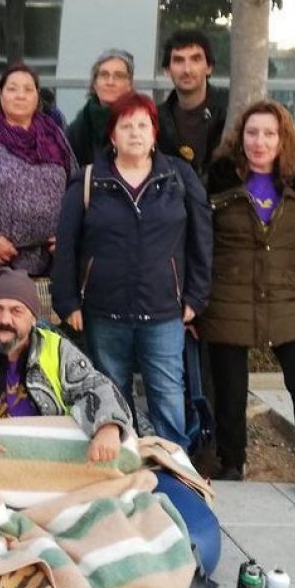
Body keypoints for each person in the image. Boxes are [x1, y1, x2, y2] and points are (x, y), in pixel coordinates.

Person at [201, 100, 295, 516]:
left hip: (289, 297)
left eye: (269, 133)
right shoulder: (217, 177)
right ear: (240, 137)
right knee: (230, 393)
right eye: (252, 133)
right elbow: (197, 241)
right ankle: (232, 464)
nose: (260, 142)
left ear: (282, 138)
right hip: (228, 298)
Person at [51, 92, 211, 447]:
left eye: (143, 125)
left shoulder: (178, 177)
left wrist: (196, 297)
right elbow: (66, 246)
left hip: (163, 312)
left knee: (168, 397)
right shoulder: (89, 181)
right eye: (126, 125)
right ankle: (122, 472)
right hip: (104, 311)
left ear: (154, 133)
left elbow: (201, 239)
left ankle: (175, 474)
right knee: (110, 396)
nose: (135, 133)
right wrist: (68, 302)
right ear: (113, 135)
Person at [0, 267, 132, 461]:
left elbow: (94, 385)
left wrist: (108, 427)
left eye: (16, 311)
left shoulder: (57, 348)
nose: (5, 319)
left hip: (51, 454)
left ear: (33, 318)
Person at [0, 63, 76, 303]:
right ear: (1, 95)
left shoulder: (55, 136)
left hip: (44, 261)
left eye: (28, 89)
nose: (20, 95)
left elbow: (75, 188)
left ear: (37, 97)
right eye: (12, 88)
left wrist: (67, 234)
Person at [155, 29, 227, 178]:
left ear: (209, 67)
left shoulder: (231, 109)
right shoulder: (156, 119)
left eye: (195, 59)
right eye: (179, 60)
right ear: (168, 70)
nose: (187, 69)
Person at [66, 48, 135, 166]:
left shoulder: (143, 121)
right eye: (104, 75)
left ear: (130, 84)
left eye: (118, 76)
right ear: (95, 83)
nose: (110, 82)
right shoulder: (78, 128)